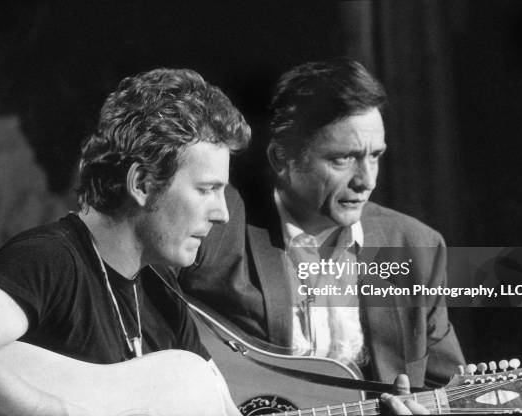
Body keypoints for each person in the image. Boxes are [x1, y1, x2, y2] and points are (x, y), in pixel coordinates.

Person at [0, 68, 251, 416]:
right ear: (141, 183)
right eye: (206, 190)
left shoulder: (165, 299)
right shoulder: (52, 259)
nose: (222, 214)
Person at [178, 59, 465, 413]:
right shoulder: (217, 226)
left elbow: (447, 389)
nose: (367, 180)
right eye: (344, 158)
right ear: (281, 158)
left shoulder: (417, 247)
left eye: (375, 156)